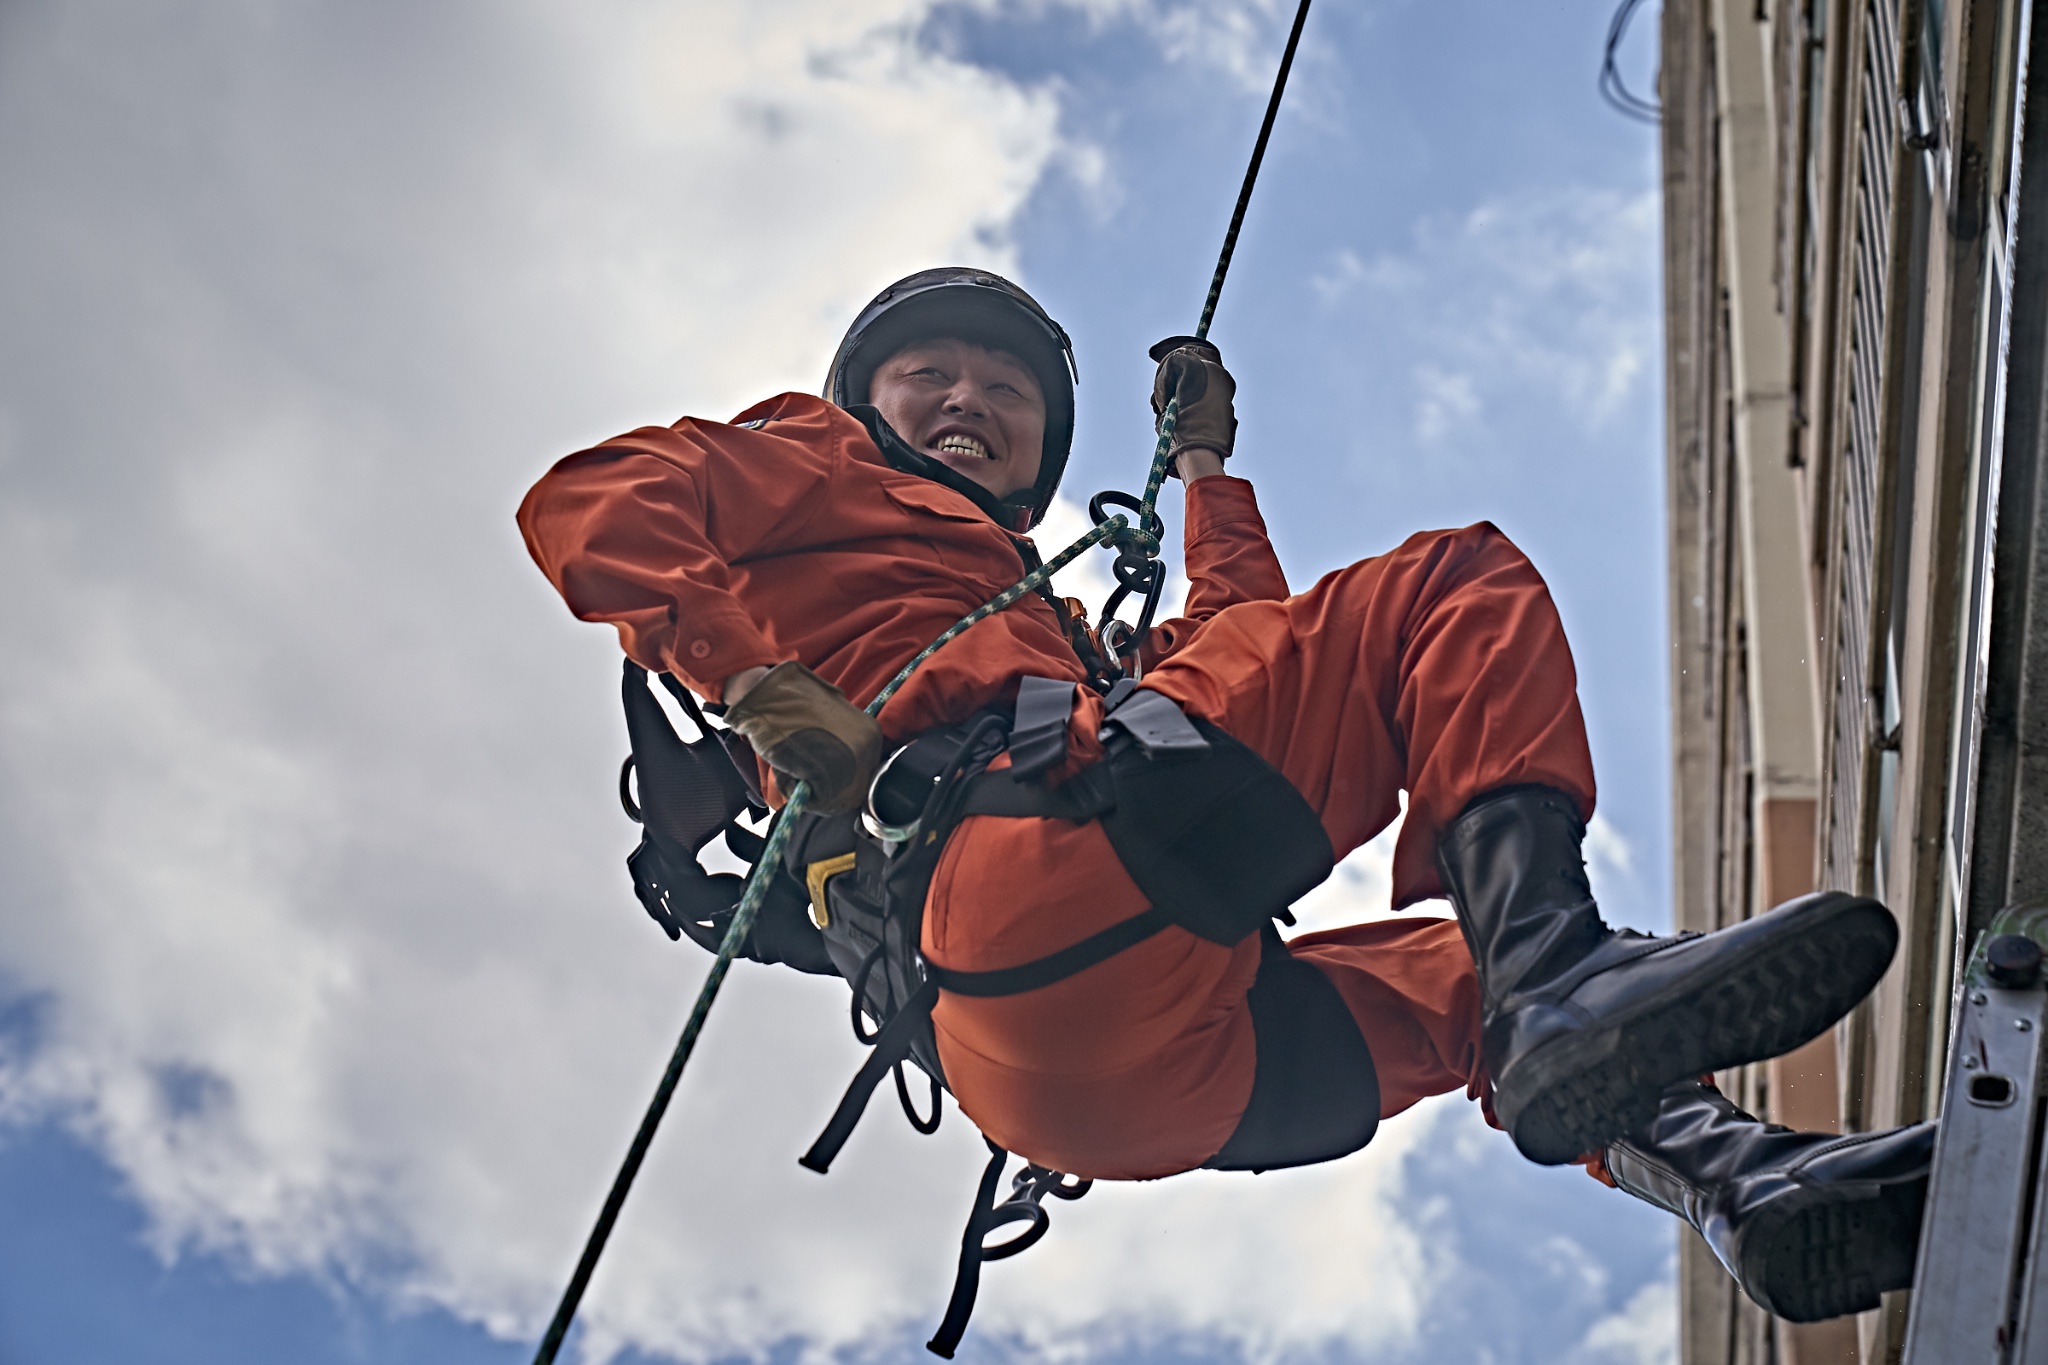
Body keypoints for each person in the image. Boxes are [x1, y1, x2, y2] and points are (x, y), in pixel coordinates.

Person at [517, 268, 1933, 1324]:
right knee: (1452, 586)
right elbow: (590, 502)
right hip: (1015, 880)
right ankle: (1563, 973)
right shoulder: (806, 464)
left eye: (1004, 392)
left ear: (1035, 458)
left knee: (1461, 981)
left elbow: (1243, 657)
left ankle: (1747, 1184)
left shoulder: (1044, 638)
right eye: (930, 376)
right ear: (861, 404)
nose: (969, 401)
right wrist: (759, 686)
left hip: (1096, 1064)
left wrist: (1206, 471)